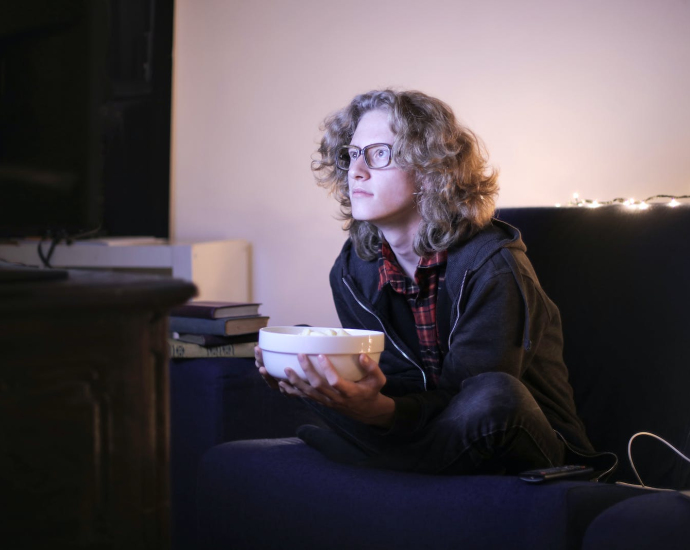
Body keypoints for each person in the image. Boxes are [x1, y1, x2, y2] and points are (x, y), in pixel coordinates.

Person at [255, 89, 604, 476]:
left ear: (430, 169)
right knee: (307, 354)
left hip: (525, 440)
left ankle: (383, 460)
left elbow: (466, 400)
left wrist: (379, 413)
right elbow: (395, 383)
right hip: (421, 427)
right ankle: (395, 457)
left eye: (379, 154)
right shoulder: (353, 269)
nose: (356, 171)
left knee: (495, 396)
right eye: (353, 154)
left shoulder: (493, 267)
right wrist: (343, 390)